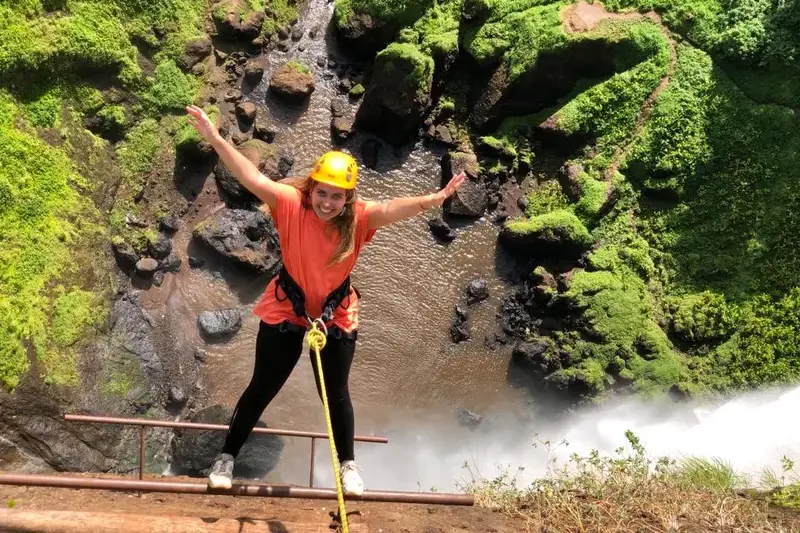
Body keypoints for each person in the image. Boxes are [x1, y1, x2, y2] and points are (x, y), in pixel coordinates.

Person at [185, 104, 466, 496]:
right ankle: (227, 457)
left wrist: (433, 200)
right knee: (262, 387)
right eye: (322, 193)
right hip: (288, 305)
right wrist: (215, 138)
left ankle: (347, 465)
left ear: (348, 199)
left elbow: (391, 209)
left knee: (335, 394)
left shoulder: (359, 219)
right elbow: (250, 176)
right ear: (310, 189)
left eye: (337, 196)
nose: (327, 203)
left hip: (335, 312)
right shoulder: (288, 203)